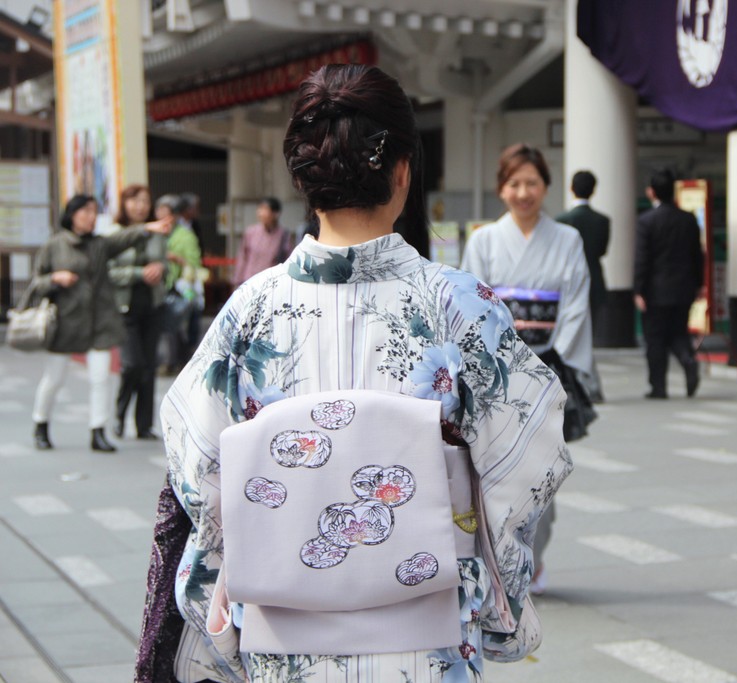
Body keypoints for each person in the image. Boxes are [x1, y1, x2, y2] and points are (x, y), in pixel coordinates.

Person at [135, 64, 571, 683]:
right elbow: (525, 458)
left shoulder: (250, 311)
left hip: (283, 636)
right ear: (402, 171)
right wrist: (495, 594)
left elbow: (199, 467)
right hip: (428, 636)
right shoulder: (459, 305)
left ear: (304, 178)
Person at [461, 143, 596, 596]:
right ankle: (500, 560)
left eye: (532, 183)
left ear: (546, 187)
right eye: (514, 183)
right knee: (494, 470)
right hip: (499, 374)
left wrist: (552, 356)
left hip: (548, 369)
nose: (523, 192)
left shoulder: (568, 240)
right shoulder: (483, 241)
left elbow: (575, 303)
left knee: (544, 469)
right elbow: (473, 307)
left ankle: (532, 559)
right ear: (501, 189)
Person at [29, 194, 171, 452]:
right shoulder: (55, 245)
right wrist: (56, 278)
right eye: (85, 211)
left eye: (94, 211)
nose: (91, 216)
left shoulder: (100, 245)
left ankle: (98, 431)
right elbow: (37, 282)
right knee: (54, 379)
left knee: (100, 378)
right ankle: (41, 423)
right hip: (66, 323)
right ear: (72, 214)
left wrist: (146, 229)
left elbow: (122, 239)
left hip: (99, 322)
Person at [633, 168, 705, 399]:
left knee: (655, 338)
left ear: (651, 192)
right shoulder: (688, 219)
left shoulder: (646, 221)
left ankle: (659, 386)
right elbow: (698, 255)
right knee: (678, 332)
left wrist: (638, 289)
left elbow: (642, 258)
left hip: (656, 290)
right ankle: (688, 359)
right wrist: (699, 284)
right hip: (684, 288)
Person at [108, 185, 167, 440]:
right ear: (124, 204)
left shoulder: (158, 234)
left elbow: (164, 264)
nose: (140, 206)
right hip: (125, 308)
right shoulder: (115, 234)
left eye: (144, 201)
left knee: (149, 366)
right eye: (134, 201)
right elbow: (108, 272)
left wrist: (159, 270)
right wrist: (138, 273)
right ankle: (119, 414)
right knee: (133, 364)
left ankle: (143, 425)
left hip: (152, 305)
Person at [556, 169, 610, 402]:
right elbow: (601, 251)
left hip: (566, 286)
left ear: (571, 188)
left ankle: (579, 385)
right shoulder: (602, 221)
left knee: (570, 335)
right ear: (594, 190)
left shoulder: (561, 221)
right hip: (595, 282)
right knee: (586, 336)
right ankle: (590, 386)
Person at [161, 194, 202, 373]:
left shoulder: (185, 234)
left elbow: (193, 262)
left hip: (182, 286)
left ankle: (181, 360)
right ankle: (176, 360)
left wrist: (177, 259)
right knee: (173, 326)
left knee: (182, 323)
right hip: (167, 285)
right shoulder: (163, 232)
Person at [232, 196, 292, 287]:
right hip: (250, 281)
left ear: (275, 213)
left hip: (271, 282)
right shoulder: (251, 232)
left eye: (265, 209)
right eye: (260, 209)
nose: (260, 213)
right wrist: (237, 279)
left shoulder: (283, 235)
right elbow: (243, 256)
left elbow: (288, 258)